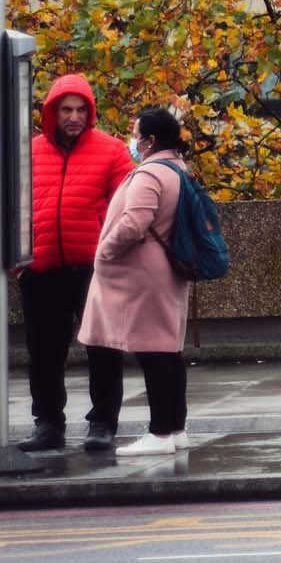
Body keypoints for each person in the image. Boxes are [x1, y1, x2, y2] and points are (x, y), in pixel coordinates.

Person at [14, 74, 136, 453]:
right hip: (42, 268)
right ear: (52, 112)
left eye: (81, 109)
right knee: (44, 351)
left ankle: (103, 422)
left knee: (103, 346)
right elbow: (13, 205)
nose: (74, 116)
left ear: (90, 112)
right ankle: (48, 423)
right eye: (66, 109)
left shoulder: (113, 151)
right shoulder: (28, 151)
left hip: (96, 269)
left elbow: (128, 206)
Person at [75, 107, 194, 456]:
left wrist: (105, 251)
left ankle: (159, 433)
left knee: (153, 352)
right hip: (163, 272)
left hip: (142, 275)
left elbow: (133, 223)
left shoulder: (149, 174)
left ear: (150, 140)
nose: (133, 139)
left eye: (136, 132)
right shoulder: (177, 168)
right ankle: (175, 428)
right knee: (168, 351)